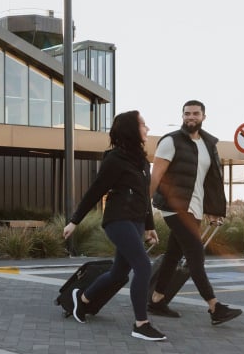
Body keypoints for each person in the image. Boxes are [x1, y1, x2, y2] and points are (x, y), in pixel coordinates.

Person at [62, 111, 166, 342]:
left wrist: (149, 226)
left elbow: (144, 197)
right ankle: (141, 324)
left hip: (136, 221)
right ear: (131, 129)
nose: (147, 128)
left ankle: (83, 299)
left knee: (119, 273)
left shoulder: (141, 161)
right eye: (143, 124)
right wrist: (74, 221)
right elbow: (95, 191)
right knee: (143, 266)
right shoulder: (115, 159)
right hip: (118, 220)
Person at [149, 100, 242, 326]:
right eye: (187, 113)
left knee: (173, 255)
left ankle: (157, 299)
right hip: (175, 208)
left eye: (195, 113)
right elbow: (155, 177)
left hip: (196, 208)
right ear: (182, 116)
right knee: (195, 255)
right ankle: (214, 307)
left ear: (203, 117)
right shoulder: (171, 141)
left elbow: (212, 180)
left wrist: (213, 210)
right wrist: (144, 212)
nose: (191, 117)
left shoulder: (208, 144)